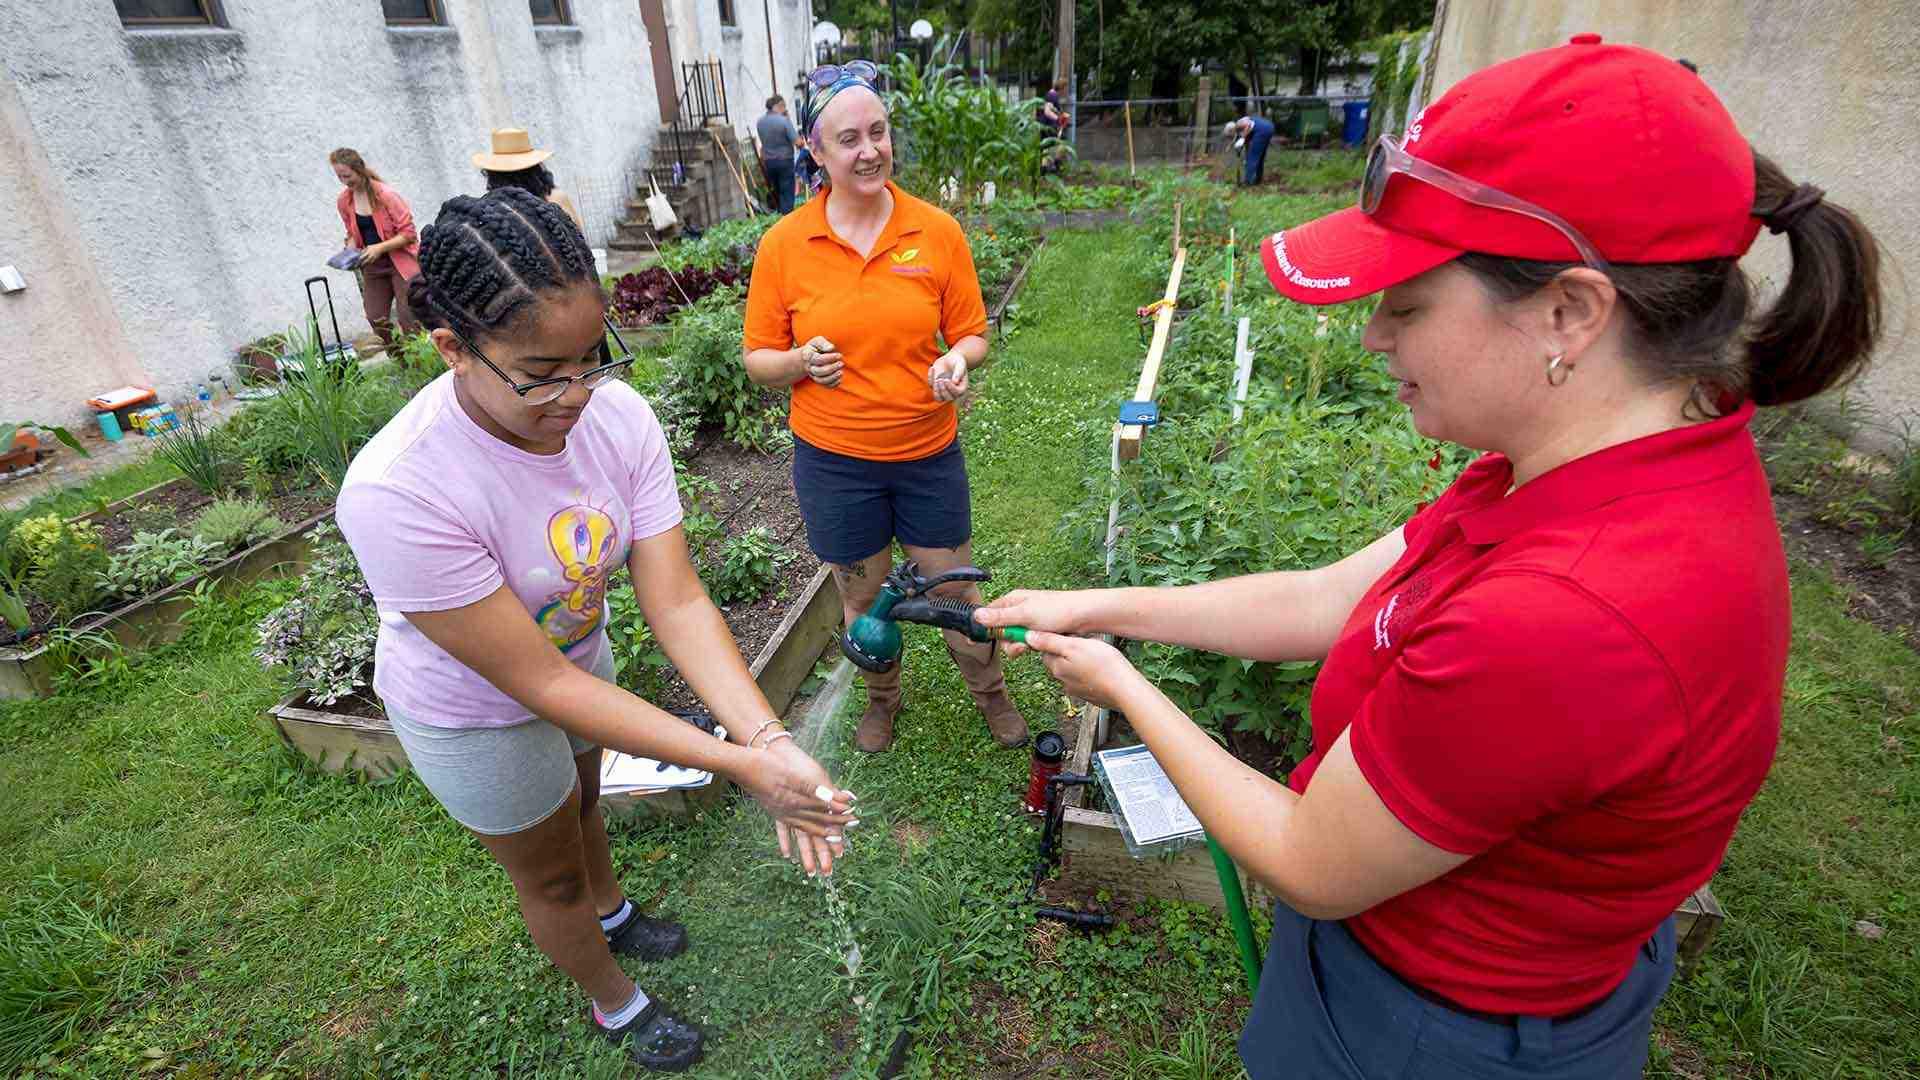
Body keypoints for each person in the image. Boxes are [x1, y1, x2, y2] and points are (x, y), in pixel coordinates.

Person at [978, 34, 1882, 1079]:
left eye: (1406, 305)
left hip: (1426, 1033)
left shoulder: (1569, 613)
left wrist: (1120, 686)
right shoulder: (1579, 463)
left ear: (1569, 311)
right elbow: (1325, 598)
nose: (1372, 337)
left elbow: (1312, 863)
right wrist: (1112, 605)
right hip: (1473, 973)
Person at [335, 187, 857, 1073]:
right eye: (542, 372)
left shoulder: (616, 418)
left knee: (582, 803)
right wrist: (745, 767)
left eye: (593, 359)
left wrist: (763, 732)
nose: (578, 393)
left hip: (580, 657)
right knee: (549, 871)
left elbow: (678, 599)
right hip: (472, 710)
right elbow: (539, 687)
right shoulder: (399, 490)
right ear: (453, 349)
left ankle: (613, 911)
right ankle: (615, 1000)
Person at [741, 60, 1029, 754]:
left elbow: (972, 331)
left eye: (878, 132)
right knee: (864, 599)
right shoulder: (784, 245)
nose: (869, 149)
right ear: (816, 150)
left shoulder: (936, 232)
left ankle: (991, 695)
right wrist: (798, 363)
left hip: (926, 453)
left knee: (952, 589)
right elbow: (758, 360)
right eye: (849, 138)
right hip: (835, 463)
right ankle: (881, 701)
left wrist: (957, 359)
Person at [329, 148, 421, 354]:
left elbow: (408, 233)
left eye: (347, 175)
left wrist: (379, 248)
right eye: (339, 176)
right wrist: (350, 247)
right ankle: (400, 360)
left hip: (400, 264)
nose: (344, 181)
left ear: (359, 169)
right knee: (376, 317)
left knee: (408, 318)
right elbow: (352, 232)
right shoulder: (344, 201)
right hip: (372, 266)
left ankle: (419, 366)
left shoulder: (386, 195)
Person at [474, 127, 586, 233]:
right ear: (535, 169)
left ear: (493, 174)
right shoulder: (556, 198)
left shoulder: (491, 211)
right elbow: (579, 238)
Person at [756, 94, 799, 214]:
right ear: (778, 106)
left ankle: (779, 217)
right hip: (784, 161)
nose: (785, 109)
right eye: (784, 106)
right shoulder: (783, 121)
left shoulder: (760, 122)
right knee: (787, 191)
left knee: (777, 190)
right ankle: (787, 218)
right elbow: (797, 141)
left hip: (769, 162)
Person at [1224, 113, 1276, 186]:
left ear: (1232, 130)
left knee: (1252, 157)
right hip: (1269, 127)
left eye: (1230, 135)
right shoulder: (1240, 130)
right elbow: (1247, 143)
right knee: (1259, 157)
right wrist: (1236, 147)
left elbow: (1248, 124)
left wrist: (1243, 138)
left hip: (1262, 130)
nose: (1231, 137)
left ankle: (1247, 182)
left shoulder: (1239, 124)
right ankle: (1258, 179)